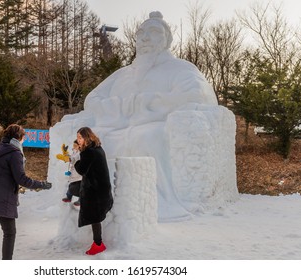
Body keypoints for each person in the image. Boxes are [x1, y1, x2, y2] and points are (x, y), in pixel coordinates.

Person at [53, 11, 218, 222]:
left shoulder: (181, 69)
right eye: (141, 33)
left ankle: (150, 200)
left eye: (153, 32)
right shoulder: (123, 74)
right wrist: (118, 106)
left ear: (167, 39)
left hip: (153, 127)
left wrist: (144, 104)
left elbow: (196, 95)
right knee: (95, 141)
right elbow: (92, 99)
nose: (145, 38)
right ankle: (91, 196)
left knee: (147, 138)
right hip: (115, 127)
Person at [0, 124, 52, 260]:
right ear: (19, 137)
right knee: (10, 233)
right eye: (24, 137)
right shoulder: (15, 153)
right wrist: (41, 184)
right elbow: (21, 178)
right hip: (2, 198)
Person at [74, 127, 113, 255]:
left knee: (94, 216)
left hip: (96, 191)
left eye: (80, 137)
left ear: (87, 137)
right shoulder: (97, 148)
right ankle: (97, 243)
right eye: (78, 137)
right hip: (101, 188)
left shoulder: (89, 152)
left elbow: (81, 170)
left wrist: (75, 160)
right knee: (73, 189)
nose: (78, 140)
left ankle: (98, 244)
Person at [61, 140, 82, 206]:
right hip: (74, 173)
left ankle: (80, 200)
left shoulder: (80, 153)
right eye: (73, 145)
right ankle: (68, 197)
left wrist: (67, 159)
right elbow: (72, 157)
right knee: (71, 186)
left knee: (80, 188)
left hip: (79, 174)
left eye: (75, 145)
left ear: (79, 146)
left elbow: (73, 159)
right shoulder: (75, 151)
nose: (74, 147)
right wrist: (66, 153)